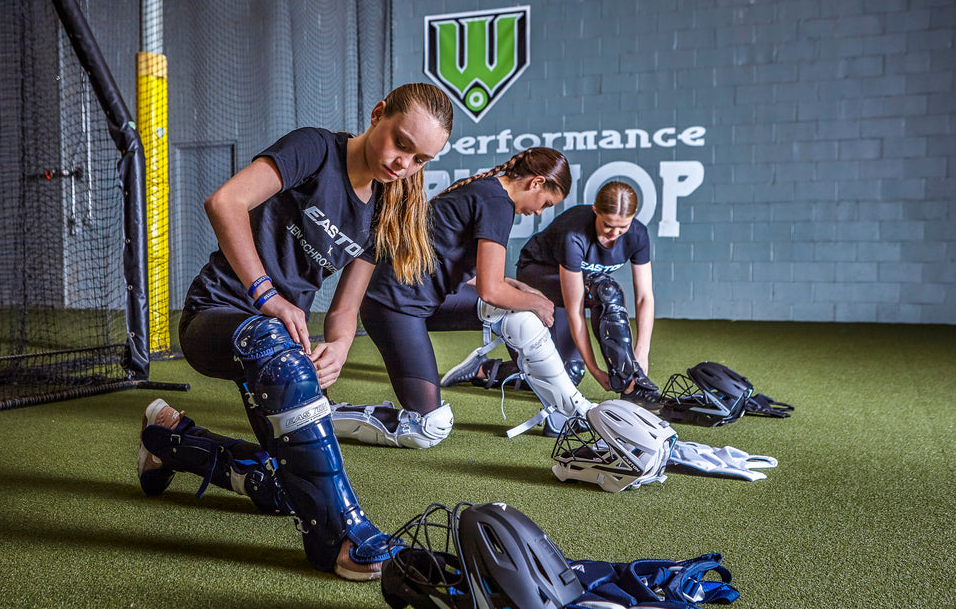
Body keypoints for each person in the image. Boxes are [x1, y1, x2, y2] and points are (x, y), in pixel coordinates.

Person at [135, 83, 453, 581]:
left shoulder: (381, 211)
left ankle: (169, 439)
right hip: (217, 315)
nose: (404, 163)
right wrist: (266, 295)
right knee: (272, 344)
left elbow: (345, 309)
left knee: (291, 490)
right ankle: (342, 536)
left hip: (275, 345)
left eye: (420, 159)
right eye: (401, 143)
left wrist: (341, 346)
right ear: (378, 113)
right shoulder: (316, 149)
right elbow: (225, 203)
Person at [330, 148, 586, 447]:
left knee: (519, 317)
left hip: (427, 299)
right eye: (545, 203)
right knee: (426, 428)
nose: (540, 211)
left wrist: (521, 289)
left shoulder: (489, 193)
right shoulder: (497, 203)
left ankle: (571, 412)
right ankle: (325, 416)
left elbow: (468, 272)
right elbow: (489, 290)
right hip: (394, 307)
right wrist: (538, 301)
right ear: (537, 182)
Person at [442, 180, 662, 408]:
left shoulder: (638, 234)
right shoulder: (574, 233)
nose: (614, 234)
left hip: (581, 284)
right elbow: (574, 307)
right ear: (595, 211)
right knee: (606, 290)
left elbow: (644, 297)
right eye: (607, 225)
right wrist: (595, 370)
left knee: (571, 371)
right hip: (539, 275)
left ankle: (630, 382)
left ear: (633, 217)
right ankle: (632, 386)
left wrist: (641, 352)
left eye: (622, 228)